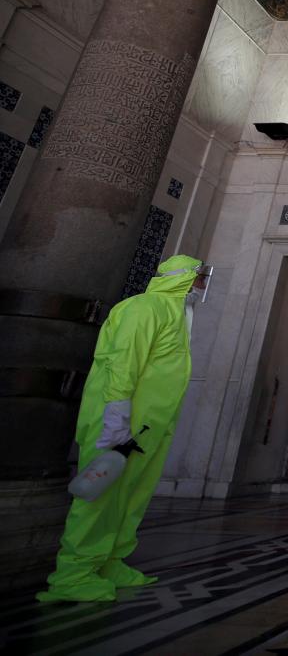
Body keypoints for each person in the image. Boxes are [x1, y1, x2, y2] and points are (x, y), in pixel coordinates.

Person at [39, 254, 212, 602]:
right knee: (100, 495)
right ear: (185, 277)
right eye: (199, 277)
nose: (203, 284)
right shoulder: (144, 308)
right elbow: (124, 361)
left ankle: (110, 562)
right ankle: (73, 574)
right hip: (122, 421)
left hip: (151, 423)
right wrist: (116, 414)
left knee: (132, 495)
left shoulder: (176, 314)